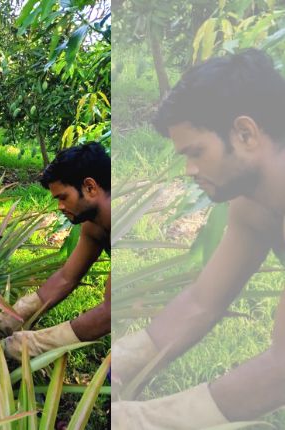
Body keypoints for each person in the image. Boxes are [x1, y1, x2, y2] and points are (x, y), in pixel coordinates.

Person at [112, 49, 285, 429]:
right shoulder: (253, 204)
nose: (189, 170)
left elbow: (282, 368)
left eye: (196, 152)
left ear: (245, 133)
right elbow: (202, 301)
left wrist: (144, 420)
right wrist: (119, 360)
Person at [0, 142, 111, 359]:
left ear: (90, 187)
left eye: (63, 197)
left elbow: (110, 312)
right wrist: (8, 320)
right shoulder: (94, 225)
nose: (59, 207)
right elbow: (67, 277)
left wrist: (29, 344)